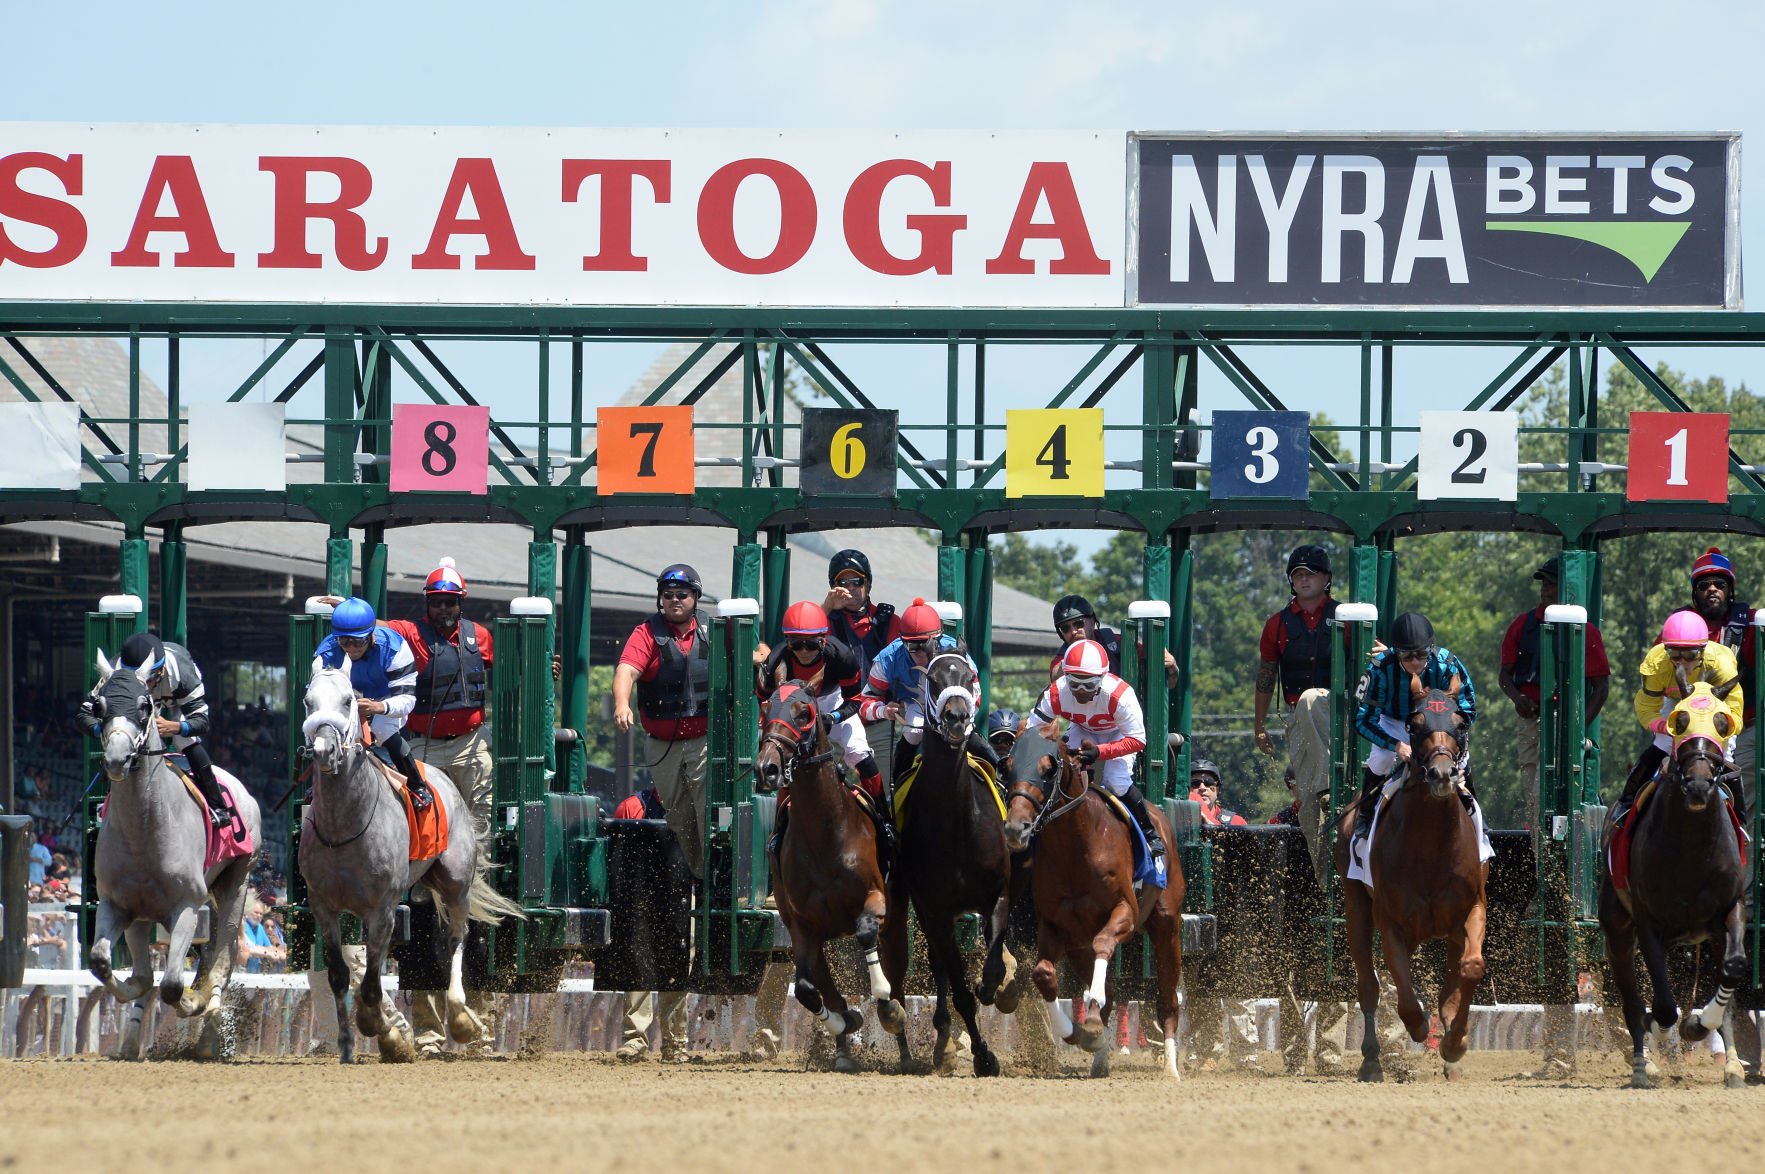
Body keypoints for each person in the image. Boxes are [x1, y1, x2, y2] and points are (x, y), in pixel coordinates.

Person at [381, 559, 501, 1057]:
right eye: (437, 601)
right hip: (425, 750)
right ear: (427, 604)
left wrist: (547, 662)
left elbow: (507, 668)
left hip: (471, 746)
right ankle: (418, 856)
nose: (444, 609)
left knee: (477, 842)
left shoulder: (482, 637)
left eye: (451, 601)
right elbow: (374, 628)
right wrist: (341, 604)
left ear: (461, 603)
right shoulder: (410, 632)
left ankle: (479, 861)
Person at [754, 600, 892, 857]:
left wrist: (834, 717)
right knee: (786, 765)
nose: (804, 650)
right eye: (796, 643)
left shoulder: (843, 657)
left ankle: (884, 821)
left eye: (811, 643)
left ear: (824, 639)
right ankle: (780, 832)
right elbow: (763, 698)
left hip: (832, 701)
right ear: (787, 641)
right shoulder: (776, 659)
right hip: (791, 710)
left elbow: (855, 702)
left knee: (860, 756)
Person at [1497, 556, 1611, 849]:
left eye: (1553, 584)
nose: (1546, 590)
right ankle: (1542, 864)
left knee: (1544, 794)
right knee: (1532, 797)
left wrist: (1578, 727)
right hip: (1529, 721)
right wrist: (1518, 698)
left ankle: (1558, 857)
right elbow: (1505, 676)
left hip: (1563, 722)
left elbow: (1601, 686)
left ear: (1567, 588)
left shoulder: (1585, 630)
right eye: (1544, 584)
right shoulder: (1522, 625)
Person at [79, 631, 236, 829]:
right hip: (133, 701)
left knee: (184, 741)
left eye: (148, 679)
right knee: (122, 738)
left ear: (160, 671)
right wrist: (103, 730)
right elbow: (83, 715)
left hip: (175, 697)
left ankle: (218, 806)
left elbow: (202, 722)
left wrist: (176, 726)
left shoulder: (182, 673)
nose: (144, 685)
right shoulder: (116, 675)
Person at [613, 564, 711, 880]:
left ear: (695, 597)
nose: (674, 601)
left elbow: (755, 653)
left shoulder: (715, 629)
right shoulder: (646, 634)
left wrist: (760, 658)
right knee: (680, 817)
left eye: (682, 595)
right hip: (662, 747)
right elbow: (626, 671)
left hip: (704, 742)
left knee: (707, 810)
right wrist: (621, 704)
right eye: (667, 595)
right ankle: (702, 874)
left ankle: (719, 876)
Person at [1349, 612, 1477, 848]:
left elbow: (1468, 708)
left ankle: (1476, 816)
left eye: (1421, 655)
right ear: (1396, 652)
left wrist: (1450, 734)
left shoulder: (1448, 663)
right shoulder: (1378, 669)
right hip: (1394, 721)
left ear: (1431, 648)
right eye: (1407, 656)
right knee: (1381, 757)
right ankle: (1365, 814)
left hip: (1437, 724)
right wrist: (1396, 745)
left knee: (1463, 760)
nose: (1415, 663)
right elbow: (1361, 720)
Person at [1252, 544, 1339, 888]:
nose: (1305, 579)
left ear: (1327, 578)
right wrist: (1259, 726)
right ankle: (1326, 879)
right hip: (1295, 717)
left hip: (1339, 712)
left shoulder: (1346, 615)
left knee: (1311, 699)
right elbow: (1266, 674)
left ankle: (1328, 785)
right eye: (1298, 574)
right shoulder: (1277, 624)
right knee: (1306, 807)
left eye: (1311, 573)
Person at [1029, 638, 1163, 858]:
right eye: (1074, 683)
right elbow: (1032, 732)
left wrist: (1100, 752)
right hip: (1082, 729)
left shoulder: (1120, 696)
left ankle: (1150, 834)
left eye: (1089, 684)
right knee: (1062, 773)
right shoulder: (1055, 693)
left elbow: (1137, 741)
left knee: (1116, 781)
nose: (1081, 691)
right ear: (1065, 677)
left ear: (1103, 678)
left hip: (1118, 734)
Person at [1614, 609, 1744, 820]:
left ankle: (1739, 820)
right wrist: (1663, 727)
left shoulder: (1722, 664)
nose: (1681, 662)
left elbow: (1735, 712)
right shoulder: (1656, 662)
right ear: (1665, 650)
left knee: (1726, 753)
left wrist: (1721, 729)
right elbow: (1646, 706)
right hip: (1676, 702)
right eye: (1674, 654)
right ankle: (1626, 803)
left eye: (1690, 655)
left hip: (1714, 706)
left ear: (1702, 651)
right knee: (1662, 745)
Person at [858, 598, 997, 784]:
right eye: (912, 646)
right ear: (901, 641)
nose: (920, 652)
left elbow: (976, 696)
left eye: (926, 644)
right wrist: (884, 710)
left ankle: (1001, 778)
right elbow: (863, 703)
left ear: (938, 638)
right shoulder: (888, 659)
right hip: (915, 705)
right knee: (913, 732)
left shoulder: (956, 653)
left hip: (951, 705)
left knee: (966, 731)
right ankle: (896, 787)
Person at [312, 597, 429, 808]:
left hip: (387, 700)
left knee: (383, 728)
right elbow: (320, 698)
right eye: (344, 641)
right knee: (328, 731)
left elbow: (408, 700)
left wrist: (378, 707)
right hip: (344, 703)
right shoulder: (324, 655)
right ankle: (319, 784)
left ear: (371, 634)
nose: (351, 648)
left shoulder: (396, 649)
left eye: (358, 641)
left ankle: (416, 785)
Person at [611, 785, 690, 1064]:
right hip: (640, 900)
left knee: (678, 961)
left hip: (681, 901)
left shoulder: (696, 809)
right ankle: (635, 1040)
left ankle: (676, 1043)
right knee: (638, 961)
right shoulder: (631, 807)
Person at [1687, 548, 1758, 810]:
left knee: (1736, 801)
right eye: (1704, 585)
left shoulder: (1750, 625)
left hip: (1742, 731)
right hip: (1690, 732)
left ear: (1730, 591)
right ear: (1695, 593)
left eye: (1720, 583)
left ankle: (1741, 843)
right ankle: (1624, 817)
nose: (1713, 589)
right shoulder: (1679, 625)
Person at [822, 549, 901, 778]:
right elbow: (801, 636)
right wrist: (827, 607)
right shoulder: (824, 619)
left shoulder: (891, 622)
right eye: (842, 582)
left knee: (886, 801)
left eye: (856, 581)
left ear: (868, 583)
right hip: (838, 727)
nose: (850, 587)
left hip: (879, 725)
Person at [1050, 594, 1179, 686]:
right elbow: (1055, 677)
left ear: (1093, 621)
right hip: (1084, 724)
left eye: (1078, 623)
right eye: (1065, 628)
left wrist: (1171, 665)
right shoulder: (1062, 657)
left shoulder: (1119, 644)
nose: (1073, 631)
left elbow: (1168, 682)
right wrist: (1071, 660)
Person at [1185, 759, 1247, 827]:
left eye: (1208, 782)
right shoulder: (1179, 821)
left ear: (1217, 789)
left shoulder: (1236, 822)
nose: (1202, 788)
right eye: (1195, 783)